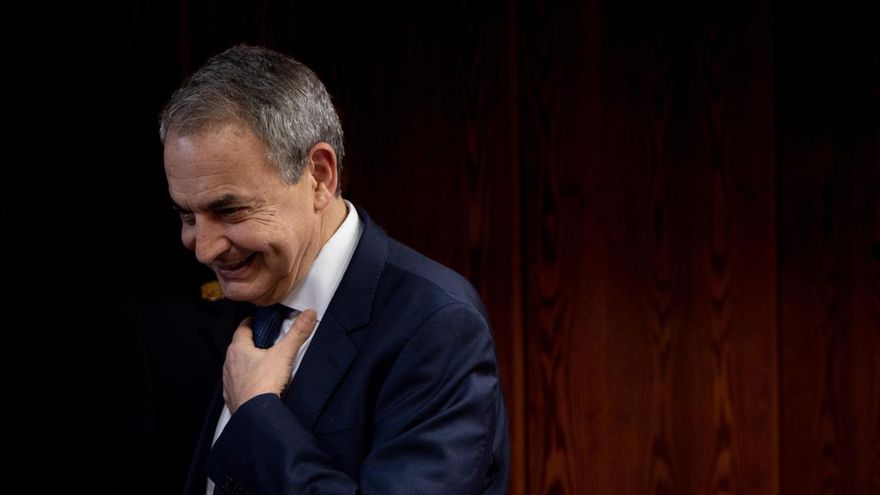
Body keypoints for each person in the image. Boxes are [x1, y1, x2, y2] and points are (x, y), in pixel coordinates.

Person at [158, 44, 509, 494]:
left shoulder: (437, 324)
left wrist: (256, 413)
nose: (204, 249)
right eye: (187, 216)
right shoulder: (231, 300)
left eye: (230, 211)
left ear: (320, 177)